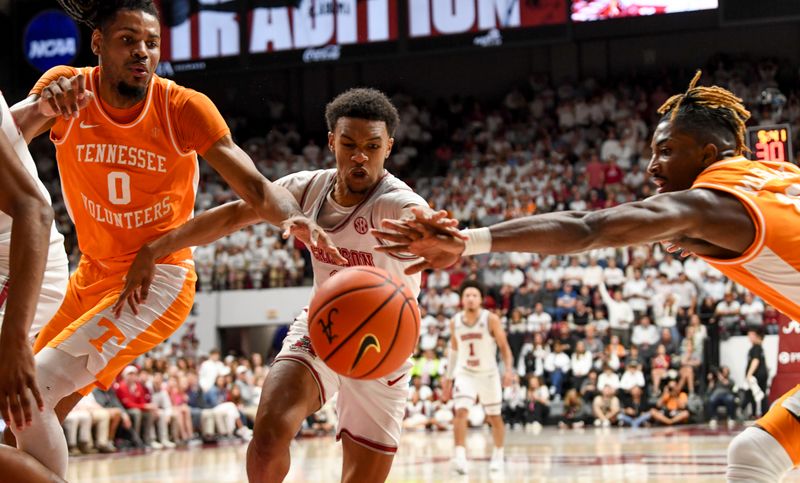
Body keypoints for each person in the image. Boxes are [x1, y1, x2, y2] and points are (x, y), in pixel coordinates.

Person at [374, 70, 800, 481]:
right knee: (755, 452)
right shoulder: (779, 174)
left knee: (755, 453)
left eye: (666, 151)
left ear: (708, 155)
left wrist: (467, 241)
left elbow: (588, 227)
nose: (652, 166)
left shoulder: (705, 206)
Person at [7, 1, 337, 478]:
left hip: (156, 280)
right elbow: (8, 139)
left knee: (30, 388)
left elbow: (258, 189)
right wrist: (41, 107)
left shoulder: (181, 106)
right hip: (90, 276)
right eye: (127, 40)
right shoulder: (67, 87)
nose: (142, 52)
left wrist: (296, 220)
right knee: (19, 420)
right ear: (97, 43)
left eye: (152, 43)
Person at [112, 88, 437, 483]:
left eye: (372, 146)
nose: (359, 156)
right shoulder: (307, 187)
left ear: (389, 147)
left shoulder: (397, 202)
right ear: (331, 140)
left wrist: (433, 233)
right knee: (267, 438)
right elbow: (233, 215)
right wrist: (156, 248)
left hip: (383, 347)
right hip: (325, 327)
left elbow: (425, 221)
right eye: (349, 143)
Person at [0, 90, 69, 434]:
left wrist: (12, 341)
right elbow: (11, 134)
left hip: (18, 263)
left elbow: (34, 211)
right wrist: (38, 109)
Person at [443, 281, 514, 474]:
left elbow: (504, 347)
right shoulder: (454, 321)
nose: (471, 298)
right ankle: (460, 457)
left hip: (488, 374)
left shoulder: (490, 319)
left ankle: (498, 455)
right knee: (460, 412)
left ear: (481, 299)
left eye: (474, 295)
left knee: (494, 416)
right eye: (467, 295)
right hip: (465, 373)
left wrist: (508, 370)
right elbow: (454, 351)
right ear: (461, 299)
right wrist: (448, 378)